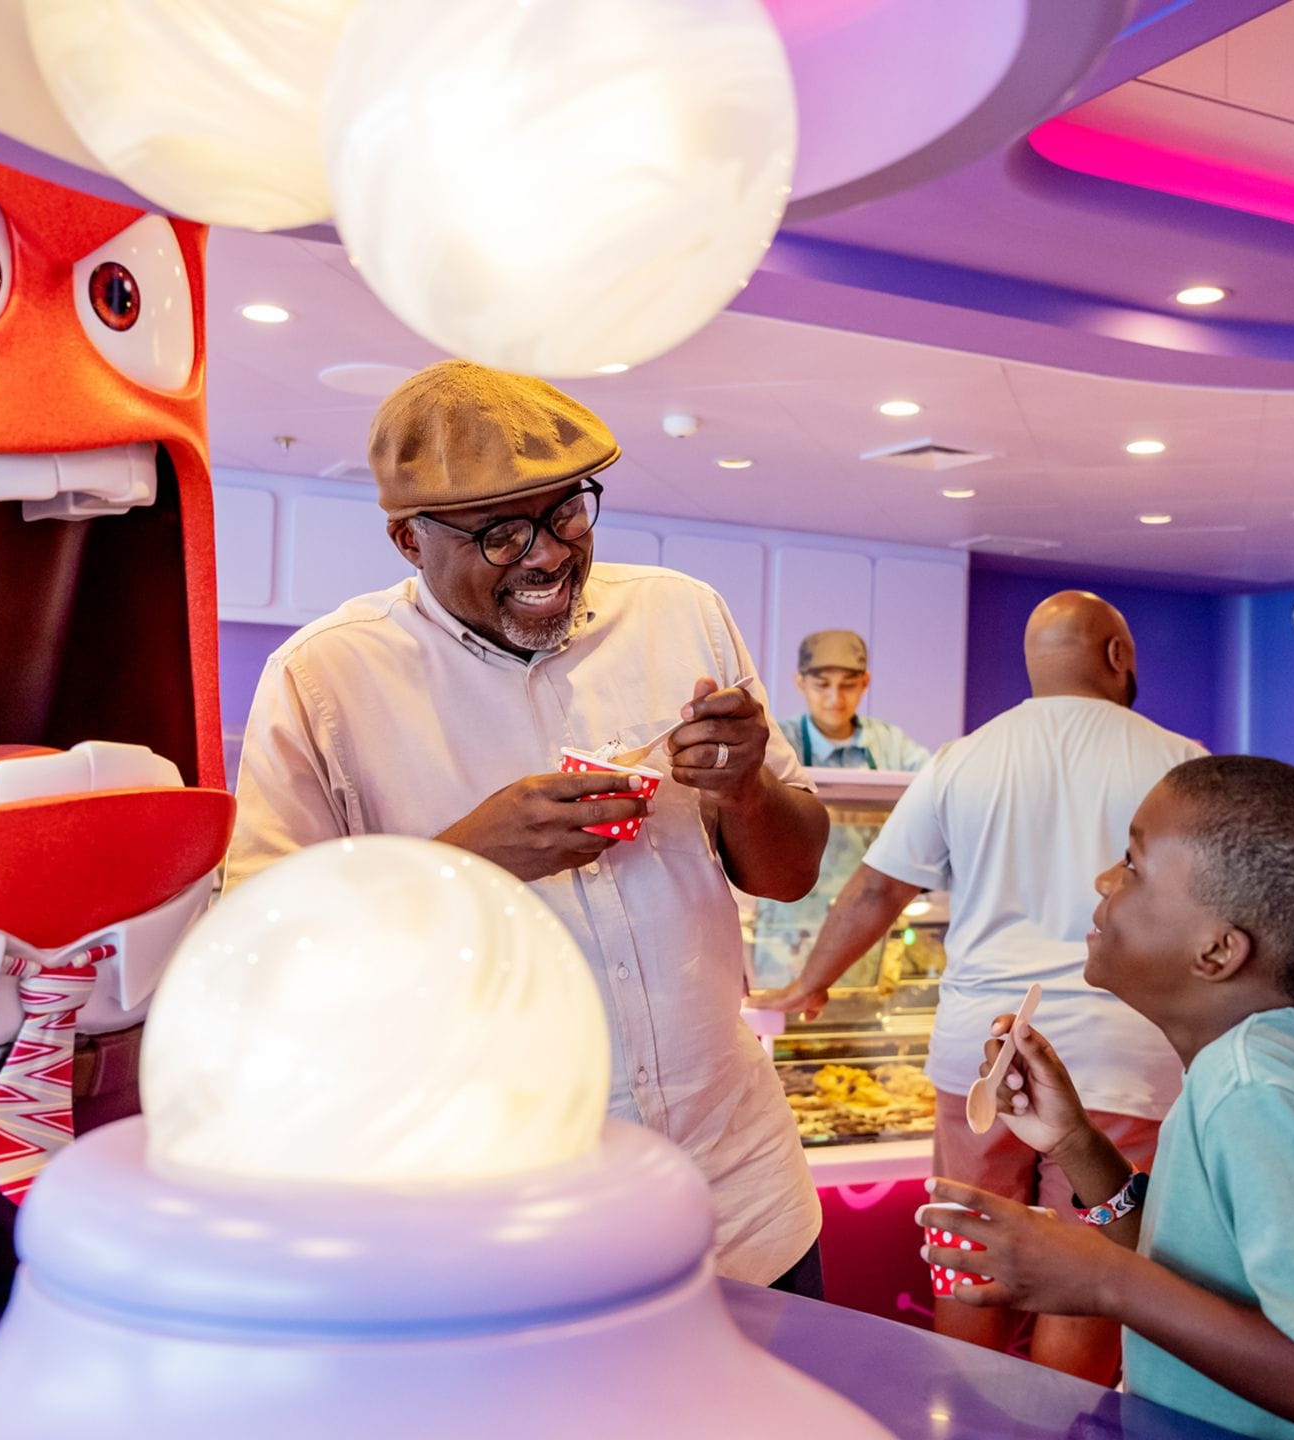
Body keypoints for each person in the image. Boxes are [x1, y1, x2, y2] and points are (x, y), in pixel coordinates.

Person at [227, 360, 832, 1293]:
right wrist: (466, 860)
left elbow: (790, 875)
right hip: (510, 1227)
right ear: (406, 538)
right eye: (501, 534)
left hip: (744, 1196)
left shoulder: (682, 615)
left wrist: (748, 789)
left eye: (567, 513)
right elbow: (263, 963)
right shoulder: (325, 681)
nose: (547, 555)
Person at [924, 757, 1294, 1440]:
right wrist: (1077, 1144)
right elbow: (1210, 1277)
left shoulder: (1259, 1090)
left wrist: (1105, 1281)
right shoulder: (1259, 1058)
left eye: (1133, 866)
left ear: (1217, 952)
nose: (1104, 882)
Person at [753, 592, 1202, 1374]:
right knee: (1092, 1268)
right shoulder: (1179, 760)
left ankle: (963, 1424)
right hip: (1122, 1050)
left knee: (967, 1249)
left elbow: (874, 891)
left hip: (982, 1049)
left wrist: (805, 987)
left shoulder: (965, 756)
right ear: (1118, 656)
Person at [748, 629, 933, 991]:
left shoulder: (892, 745)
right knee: (784, 1030)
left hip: (867, 919)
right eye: (822, 685)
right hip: (787, 925)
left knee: (856, 1025)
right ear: (800, 683)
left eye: (848, 685)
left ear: (865, 683)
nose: (835, 698)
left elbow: (938, 790)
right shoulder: (777, 742)